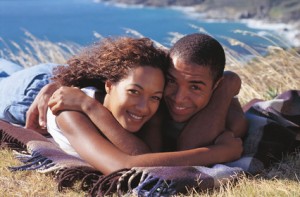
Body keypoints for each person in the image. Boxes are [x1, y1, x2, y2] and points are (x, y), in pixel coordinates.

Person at [25, 33, 245, 174]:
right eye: (134, 92)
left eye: (155, 96)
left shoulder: (152, 104)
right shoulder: (70, 110)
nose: (143, 107)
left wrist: (229, 85)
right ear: (108, 85)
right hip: (25, 91)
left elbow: (142, 154)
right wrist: (220, 153)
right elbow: (121, 166)